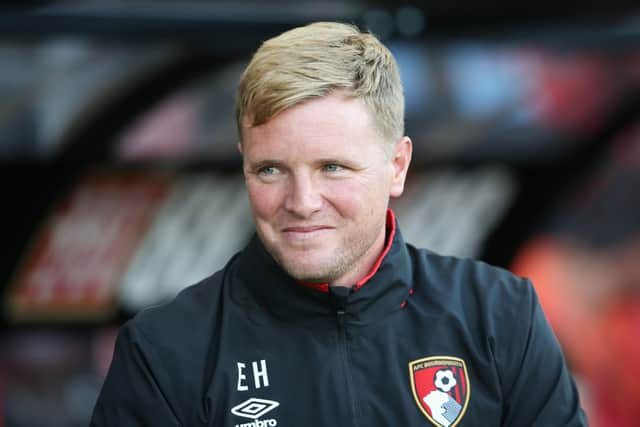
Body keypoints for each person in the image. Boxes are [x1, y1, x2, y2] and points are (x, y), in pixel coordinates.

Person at [90, 22, 587, 427]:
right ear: (243, 164)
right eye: (271, 169)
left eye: (333, 167)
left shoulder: (499, 316)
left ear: (397, 166)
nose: (302, 202)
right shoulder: (165, 351)